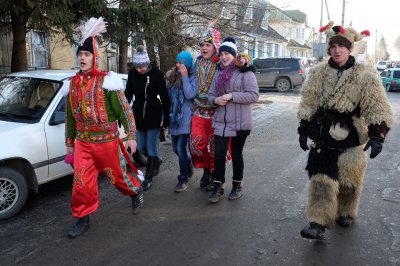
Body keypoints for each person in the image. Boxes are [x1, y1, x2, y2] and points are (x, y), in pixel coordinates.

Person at [297, 21, 393, 240]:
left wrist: (378, 136)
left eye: (341, 46)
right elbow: (308, 102)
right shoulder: (318, 74)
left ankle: (345, 211)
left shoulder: (365, 76)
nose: (337, 50)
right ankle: (318, 222)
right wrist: (303, 128)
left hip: (351, 139)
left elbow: (377, 105)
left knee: (349, 183)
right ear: (329, 49)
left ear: (349, 49)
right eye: (333, 46)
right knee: (321, 179)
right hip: (323, 139)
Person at [63, 17, 143, 239]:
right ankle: (82, 218)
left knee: (118, 177)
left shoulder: (108, 81)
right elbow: (70, 116)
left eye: (86, 54)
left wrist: (131, 136)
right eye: (80, 54)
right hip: (83, 144)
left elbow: (125, 111)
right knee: (81, 182)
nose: (82, 58)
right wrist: (70, 144)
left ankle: (135, 191)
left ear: (94, 57)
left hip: (107, 142)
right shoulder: (71, 84)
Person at [207, 37, 259, 203]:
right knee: (219, 154)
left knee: (236, 154)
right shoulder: (218, 72)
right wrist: (215, 101)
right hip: (221, 121)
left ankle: (237, 185)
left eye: (227, 54)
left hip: (240, 122)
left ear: (234, 55)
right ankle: (218, 186)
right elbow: (210, 95)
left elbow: (253, 95)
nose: (223, 57)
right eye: (221, 53)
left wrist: (231, 96)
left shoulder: (245, 71)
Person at [125, 45, 171, 191]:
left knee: (151, 147)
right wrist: (123, 111)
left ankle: (148, 178)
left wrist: (166, 116)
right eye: (137, 67)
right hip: (138, 112)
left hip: (154, 113)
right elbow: (128, 93)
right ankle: (156, 160)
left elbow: (164, 97)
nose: (140, 70)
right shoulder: (132, 73)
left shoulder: (157, 74)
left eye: (142, 67)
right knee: (140, 146)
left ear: (148, 63)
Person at [189, 23, 221, 192]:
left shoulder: (220, 64)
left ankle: (214, 174)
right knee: (197, 145)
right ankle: (206, 169)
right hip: (198, 111)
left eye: (208, 45)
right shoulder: (196, 63)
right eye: (202, 45)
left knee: (215, 145)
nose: (203, 48)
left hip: (215, 112)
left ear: (215, 47)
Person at [165, 51, 197, 192]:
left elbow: (190, 94)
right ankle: (188, 164)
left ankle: (183, 178)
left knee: (180, 148)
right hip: (174, 119)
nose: (179, 66)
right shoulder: (172, 77)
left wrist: (184, 77)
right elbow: (168, 99)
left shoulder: (191, 78)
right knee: (175, 149)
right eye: (178, 63)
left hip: (185, 118)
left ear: (188, 66)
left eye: (182, 64)